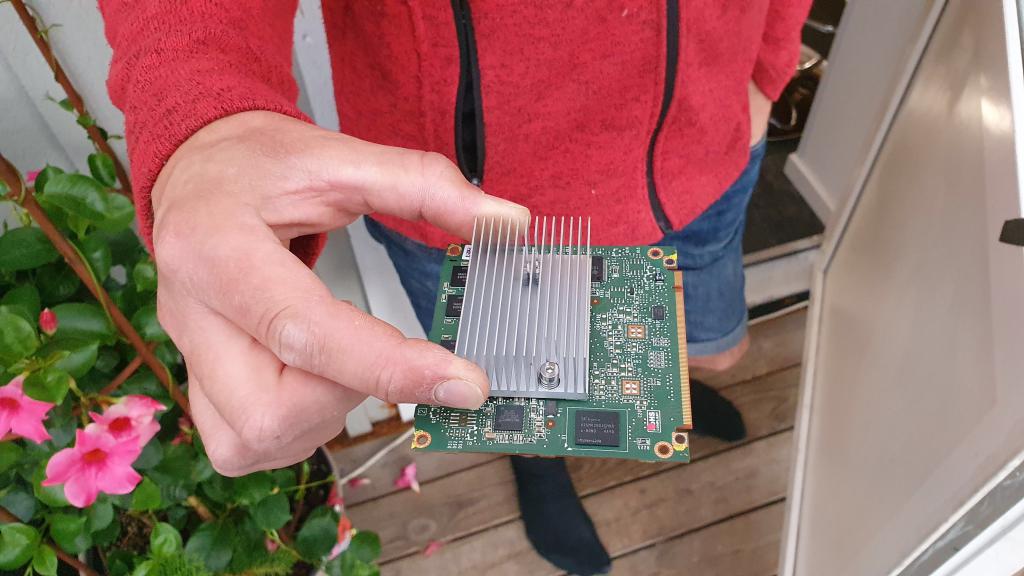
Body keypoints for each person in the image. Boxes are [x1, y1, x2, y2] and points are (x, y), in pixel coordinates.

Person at [99, 1, 811, 573]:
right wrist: (202, 99)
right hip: (474, 202)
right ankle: (541, 467)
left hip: (705, 144)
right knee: (516, 402)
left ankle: (652, 402)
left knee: (714, 348)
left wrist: (771, 61)